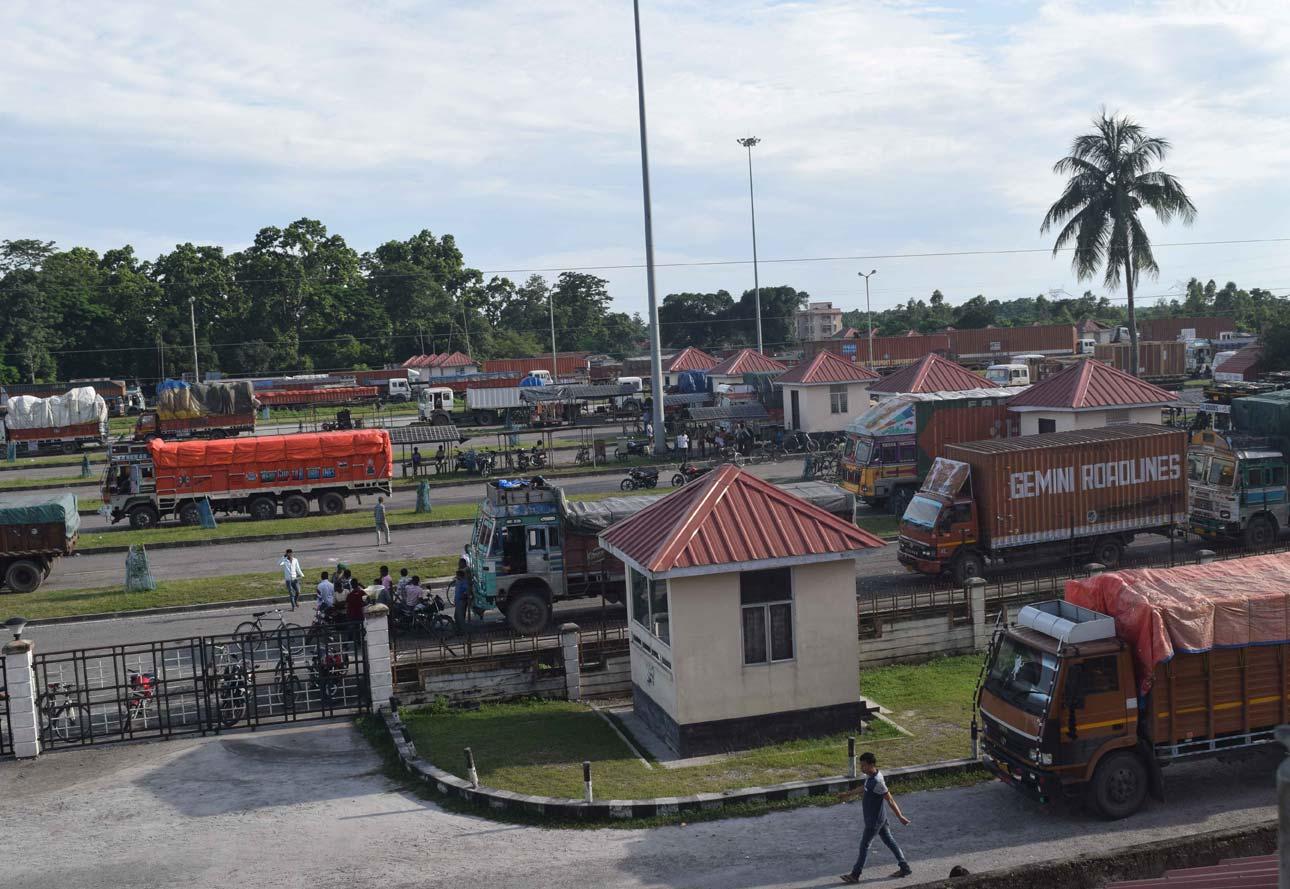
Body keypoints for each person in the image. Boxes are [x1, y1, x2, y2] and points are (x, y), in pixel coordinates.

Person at [838, 751, 912, 883]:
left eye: (864, 765)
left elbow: (890, 800)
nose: (861, 768)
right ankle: (904, 867)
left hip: (874, 821)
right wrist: (848, 794)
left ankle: (855, 874)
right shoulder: (871, 776)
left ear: (871, 765)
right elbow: (864, 787)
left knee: (864, 846)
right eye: (861, 765)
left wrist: (900, 816)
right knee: (889, 841)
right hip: (880, 819)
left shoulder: (878, 781)